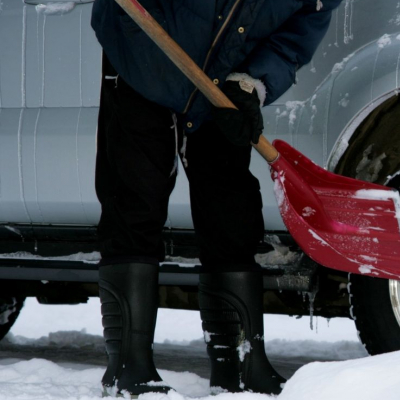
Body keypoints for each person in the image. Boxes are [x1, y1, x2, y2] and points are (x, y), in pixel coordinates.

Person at [90, 0, 341, 396]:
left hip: (221, 85)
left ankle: (239, 367)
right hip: (142, 59)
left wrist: (251, 84)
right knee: (134, 200)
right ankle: (128, 366)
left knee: (232, 213)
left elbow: (293, 38)